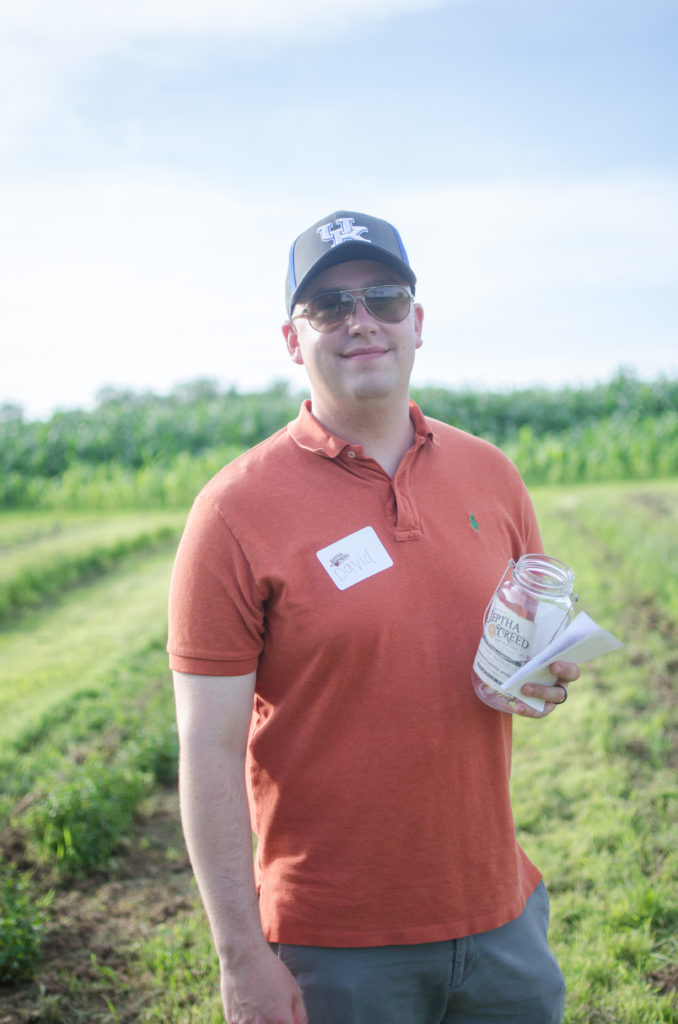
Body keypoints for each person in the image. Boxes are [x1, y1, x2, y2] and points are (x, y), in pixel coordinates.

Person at [167, 209, 581, 1024]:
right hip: (335, 949)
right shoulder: (232, 513)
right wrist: (242, 957)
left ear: (416, 324)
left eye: (384, 298)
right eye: (329, 306)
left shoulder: (490, 474)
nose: (361, 321)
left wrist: (537, 677)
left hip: (501, 917)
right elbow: (207, 749)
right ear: (293, 339)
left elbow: (510, 652)